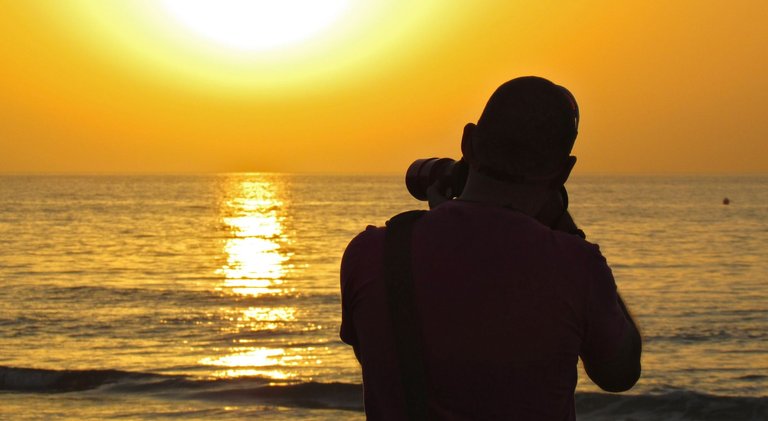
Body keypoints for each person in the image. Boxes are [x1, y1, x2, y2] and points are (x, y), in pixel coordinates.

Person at [340, 76, 641, 420]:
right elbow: (620, 373)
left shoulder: (372, 255)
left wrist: (445, 224)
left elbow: (385, 358)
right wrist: (566, 226)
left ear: (468, 143)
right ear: (563, 171)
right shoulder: (575, 265)